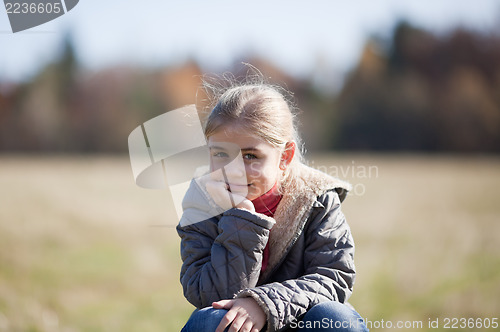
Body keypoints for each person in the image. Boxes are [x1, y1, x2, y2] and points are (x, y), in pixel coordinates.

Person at [176, 75, 368, 332]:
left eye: (250, 156)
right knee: (208, 320)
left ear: (284, 156)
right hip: (239, 327)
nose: (233, 170)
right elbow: (207, 294)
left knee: (337, 318)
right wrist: (240, 219)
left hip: (301, 323)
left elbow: (333, 278)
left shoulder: (317, 198)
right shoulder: (203, 202)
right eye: (220, 153)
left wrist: (263, 304)